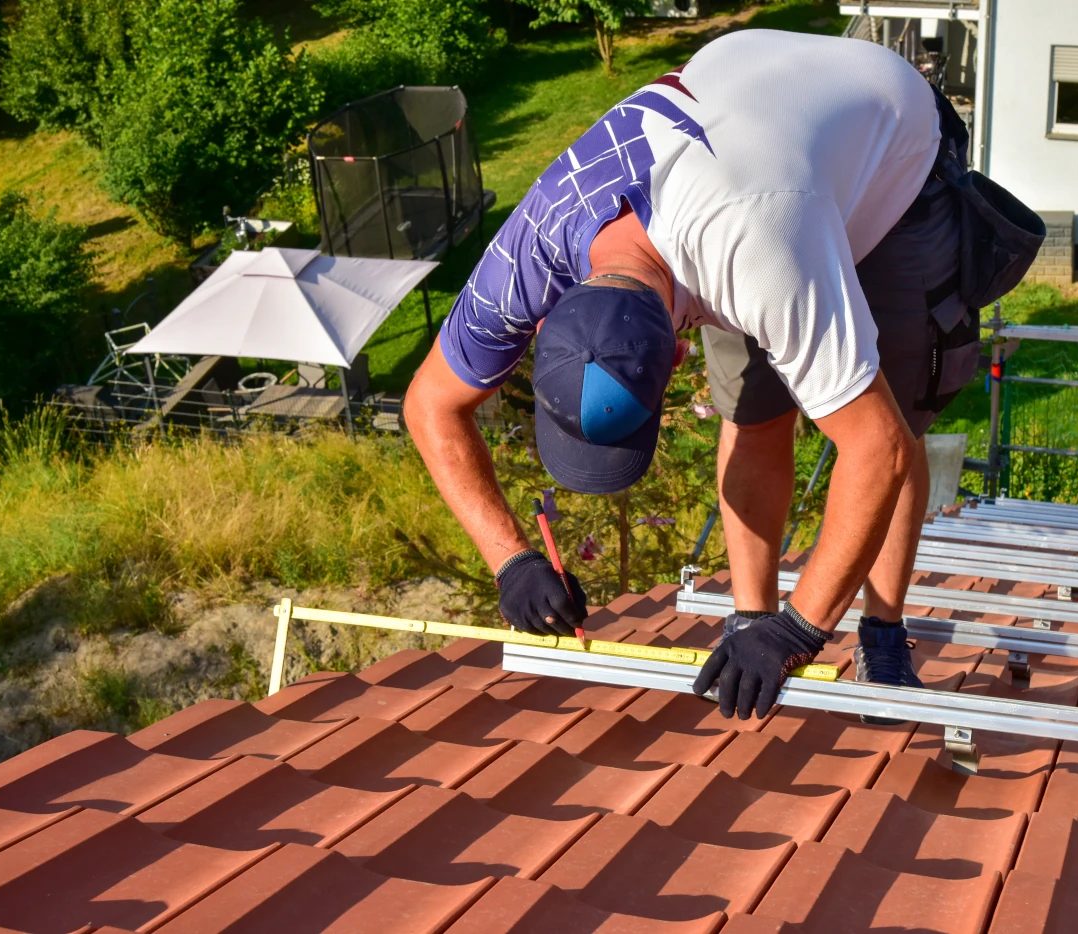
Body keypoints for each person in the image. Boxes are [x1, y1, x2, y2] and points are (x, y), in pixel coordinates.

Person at [404, 28, 1043, 721]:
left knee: (891, 414)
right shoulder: (530, 254)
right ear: (543, 320)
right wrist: (511, 560)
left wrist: (801, 631)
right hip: (759, 157)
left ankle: (883, 636)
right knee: (752, 409)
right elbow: (430, 403)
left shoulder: (760, 257)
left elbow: (879, 448)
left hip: (896, 158)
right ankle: (748, 616)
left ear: (676, 356)